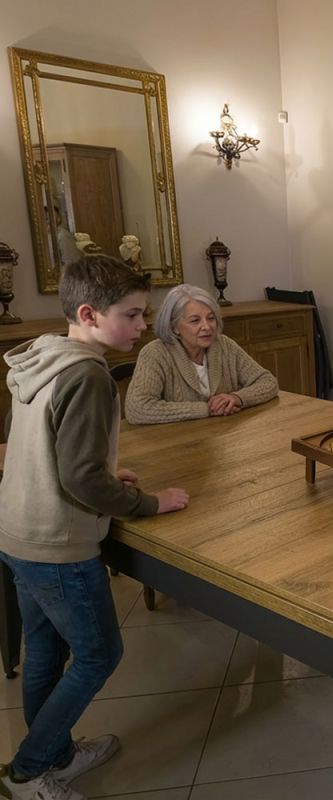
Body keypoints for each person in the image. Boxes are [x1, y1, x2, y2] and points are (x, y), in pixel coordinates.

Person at [0, 256, 189, 800]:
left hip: (17, 530)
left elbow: (41, 449)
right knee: (99, 655)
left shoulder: (42, 357)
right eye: (131, 315)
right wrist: (147, 502)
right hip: (57, 544)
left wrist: (102, 472)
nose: (142, 325)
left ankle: (54, 755)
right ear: (88, 313)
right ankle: (29, 771)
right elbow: (81, 478)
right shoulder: (88, 375)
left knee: (44, 650)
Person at [125, 284, 278, 424]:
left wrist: (237, 398)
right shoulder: (155, 353)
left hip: (225, 437)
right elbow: (137, 409)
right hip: (176, 444)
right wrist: (206, 409)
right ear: (174, 326)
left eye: (211, 318)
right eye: (195, 321)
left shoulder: (224, 345)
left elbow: (268, 382)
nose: (207, 327)